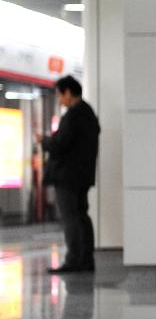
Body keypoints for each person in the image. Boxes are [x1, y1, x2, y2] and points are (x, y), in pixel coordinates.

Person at [36, 75, 101, 274]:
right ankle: (86, 260)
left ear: (68, 92)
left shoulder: (73, 115)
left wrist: (44, 140)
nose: (59, 99)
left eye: (59, 95)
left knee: (71, 218)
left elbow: (60, 144)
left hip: (67, 177)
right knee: (81, 216)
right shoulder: (89, 113)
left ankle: (74, 260)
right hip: (83, 175)